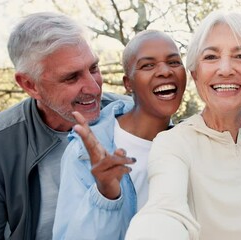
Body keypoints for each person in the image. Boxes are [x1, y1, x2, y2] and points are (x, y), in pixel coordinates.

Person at [125, 11, 241, 240]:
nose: (225, 69)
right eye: (210, 57)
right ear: (195, 74)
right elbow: (164, 209)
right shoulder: (174, 144)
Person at [0, 12, 129, 240]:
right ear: (29, 84)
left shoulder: (131, 115)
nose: (94, 88)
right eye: (72, 77)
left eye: (93, 68)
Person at [52, 30, 187, 240]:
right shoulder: (84, 152)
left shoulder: (188, 143)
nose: (165, 71)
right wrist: (105, 194)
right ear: (128, 83)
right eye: (148, 65)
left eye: (174, 62)